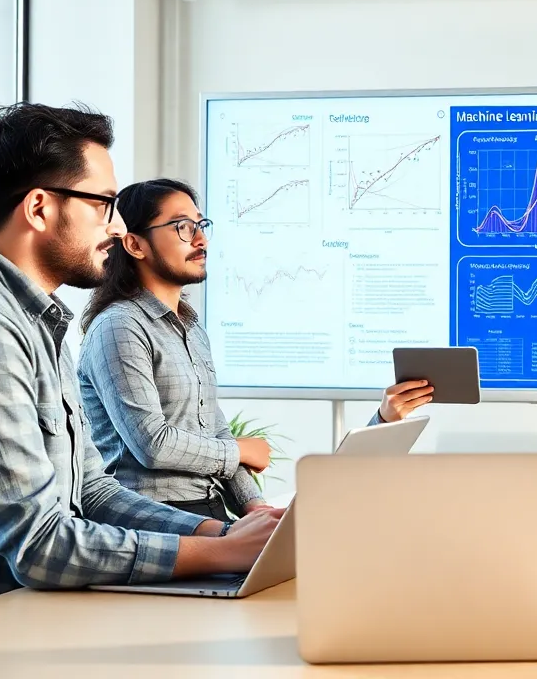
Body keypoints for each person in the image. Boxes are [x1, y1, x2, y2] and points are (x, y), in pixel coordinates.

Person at [0, 103, 281, 643]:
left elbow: (92, 490)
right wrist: (220, 552)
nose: (115, 227)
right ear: (39, 208)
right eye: (104, 204)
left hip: (3, 621)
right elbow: (39, 546)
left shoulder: (39, 318)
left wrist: (221, 531)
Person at [76, 179, 435, 522]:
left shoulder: (191, 328)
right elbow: (152, 444)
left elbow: (215, 431)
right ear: (135, 245)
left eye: (202, 226)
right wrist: (241, 451)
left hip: (208, 507)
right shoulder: (119, 325)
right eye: (183, 227)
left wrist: (254, 506)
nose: (201, 240)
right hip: (153, 515)